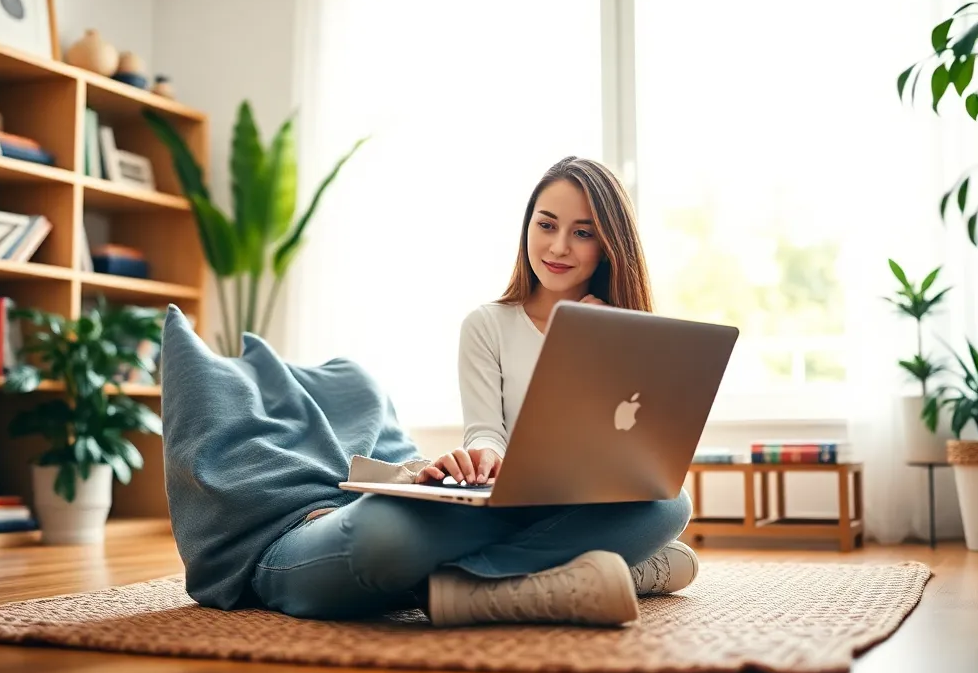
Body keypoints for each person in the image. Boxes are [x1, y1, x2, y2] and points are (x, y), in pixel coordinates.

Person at [241, 157, 696, 629]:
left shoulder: (626, 333)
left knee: (671, 502)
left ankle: (471, 582)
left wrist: (601, 344)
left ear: (608, 245)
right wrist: (482, 457)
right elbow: (486, 431)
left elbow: (643, 452)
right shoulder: (489, 324)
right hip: (500, 502)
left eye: (583, 233)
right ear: (528, 228)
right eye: (546, 225)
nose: (558, 246)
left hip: (573, 503)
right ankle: (564, 572)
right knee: (671, 556)